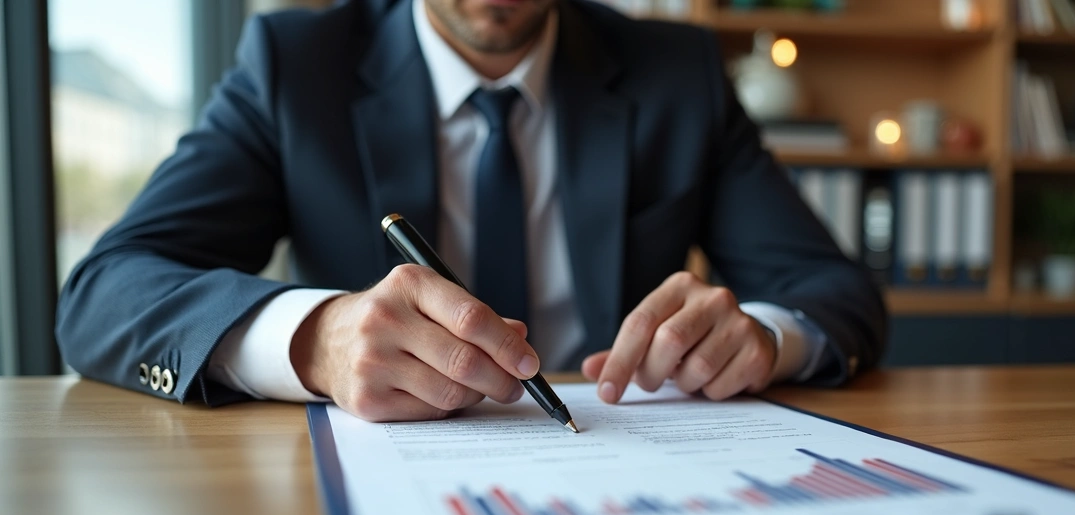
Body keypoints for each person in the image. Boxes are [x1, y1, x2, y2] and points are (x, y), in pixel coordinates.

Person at [56, 0, 886, 422]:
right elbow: (103, 293)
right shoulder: (295, 67)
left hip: (621, 467)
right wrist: (315, 340)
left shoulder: (677, 72)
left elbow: (835, 294)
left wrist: (767, 336)